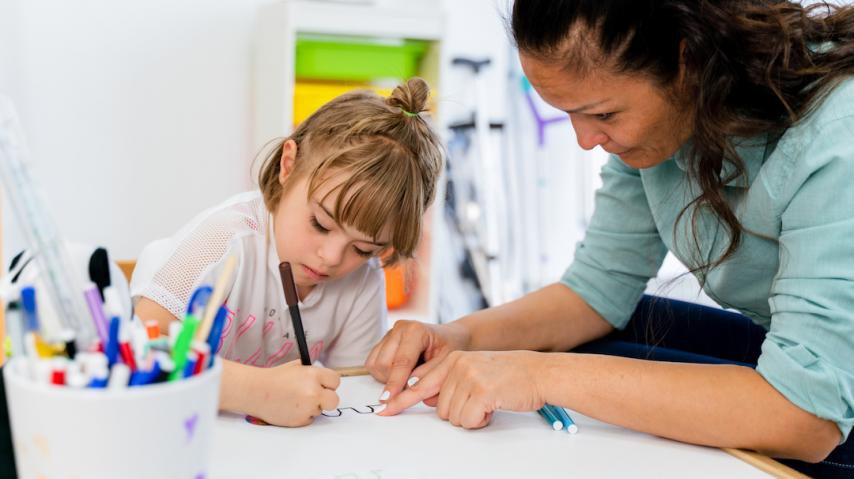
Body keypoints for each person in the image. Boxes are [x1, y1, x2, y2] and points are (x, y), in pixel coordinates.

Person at [367, 1, 854, 476]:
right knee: (602, 336)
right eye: (569, 114)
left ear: (689, 60)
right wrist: (461, 337)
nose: (584, 140)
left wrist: (536, 376)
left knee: (568, 370)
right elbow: (596, 292)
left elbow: (807, 417)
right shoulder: (670, 119)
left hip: (822, 410)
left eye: (603, 115)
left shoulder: (838, 132)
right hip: (798, 350)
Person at [131, 77, 443, 427]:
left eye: (363, 248)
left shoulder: (361, 280)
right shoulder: (222, 241)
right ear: (288, 165)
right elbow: (140, 353)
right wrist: (253, 391)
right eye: (320, 224)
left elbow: (356, 392)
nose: (331, 257)